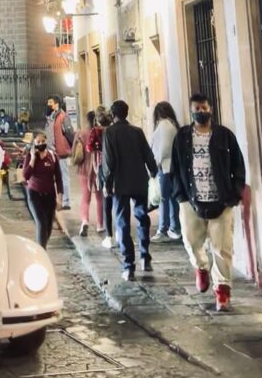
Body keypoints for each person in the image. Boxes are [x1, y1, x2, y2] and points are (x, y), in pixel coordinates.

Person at [170, 92, 246, 311]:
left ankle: (222, 291)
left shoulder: (224, 136)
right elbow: (175, 167)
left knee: (222, 248)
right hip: (191, 200)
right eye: (197, 108)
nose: (201, 112)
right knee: (191, 241)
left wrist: (235, 193)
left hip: (221, 200)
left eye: (204, 108)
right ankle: (200, 267)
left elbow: (237, 165)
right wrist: (181, 195)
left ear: (211, 109)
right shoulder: (182, 136)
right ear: (191, 111)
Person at [102, 100, 157, 281]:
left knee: (122, 223)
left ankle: (128, 266)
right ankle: (145, 256)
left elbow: (109, 162)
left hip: (121, 184)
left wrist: (107, 183)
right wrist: (153, 171)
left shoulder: (110, 133)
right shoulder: (137, 132)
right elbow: (148, 154)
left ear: (113, 114)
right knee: (142, 217)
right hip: (140, 181)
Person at [22, 130, 63, 248]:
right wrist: (33, 159)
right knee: (41, 223)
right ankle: (42, 251)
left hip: (50, 195)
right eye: (38, 141)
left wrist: (60, 197)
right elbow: (26, 176)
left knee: (48, 226)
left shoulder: (52, 156)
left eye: (43, 141)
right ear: (34, 143)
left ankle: (41, 246)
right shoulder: (30, 156)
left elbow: (59, 177)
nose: (41, 143)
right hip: (34, 194)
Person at [150, 101, 181, 242]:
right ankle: (174, 227)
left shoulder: (163, 125)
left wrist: (156, 162)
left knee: (164, 198)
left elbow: (163, 147)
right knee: (172, 198)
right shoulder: (172, 124)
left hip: (165, 166)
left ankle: (164, 228)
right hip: (172, 166)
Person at [76, 111, 104, 238]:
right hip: (97, 168)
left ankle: (85, 221)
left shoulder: (80, 133)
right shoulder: (100, 132)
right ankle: (100, 225)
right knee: (99, 197)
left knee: (85, 198)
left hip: (83, 169)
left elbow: (74, 152)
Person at [46, 95, 72, 209]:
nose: (48, 104)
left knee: (63, 177)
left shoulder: (63, 116)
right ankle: (56, 200)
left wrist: (71, 147)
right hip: (51, 151)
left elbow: (69, 133)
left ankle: (66, 202)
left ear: (56, 103)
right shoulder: (51, 116)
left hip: (60, 152)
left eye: (50, 102)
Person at [94, 109, 115, 248]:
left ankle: (109, 237)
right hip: (118, 170)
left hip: (104, 169)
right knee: (119, 203)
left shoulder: (98, 132)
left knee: (107, 203)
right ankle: (119, 233)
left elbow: (91, 148)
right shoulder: (115, 132)